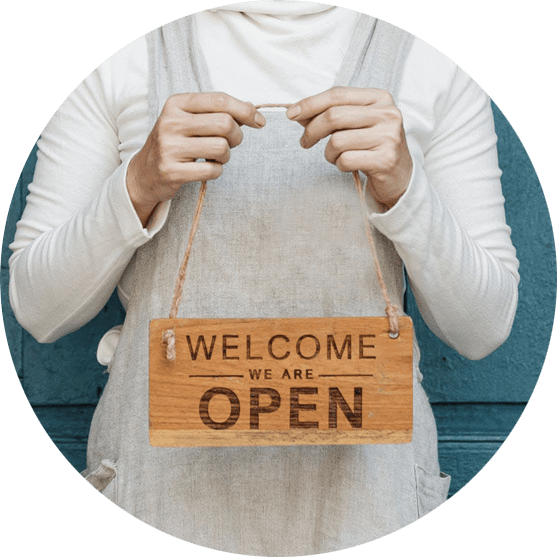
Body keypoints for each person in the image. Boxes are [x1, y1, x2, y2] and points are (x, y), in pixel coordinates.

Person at [8, 2, 519, 556]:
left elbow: (482, 327)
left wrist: (405, 187)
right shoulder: (116, 56)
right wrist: (139, 182)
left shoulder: (434, 60)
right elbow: (39, 309)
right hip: (155, 500)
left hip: (372, 505)